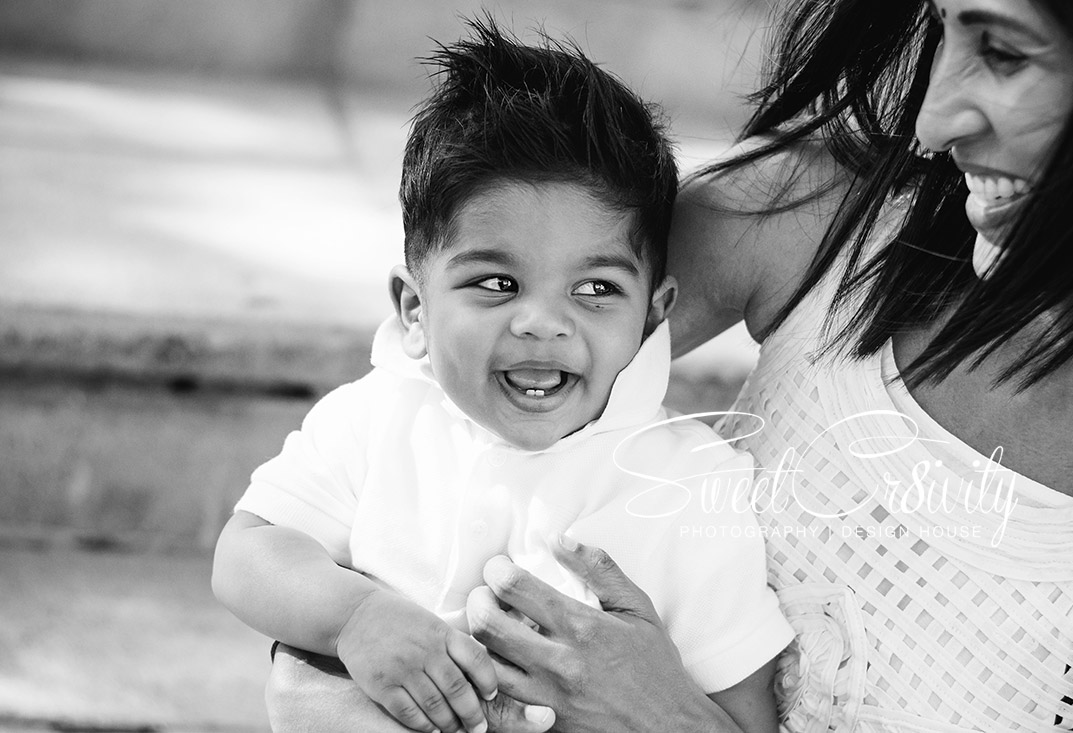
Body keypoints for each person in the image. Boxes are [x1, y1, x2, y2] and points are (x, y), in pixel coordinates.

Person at [262, 0, 1073, 730]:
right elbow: (420, 442)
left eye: (1005, 50)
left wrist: (666, 717)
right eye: (944, 28)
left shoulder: (696, 488)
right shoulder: (812, 225)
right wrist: (356, 630)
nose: (931, 120)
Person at [211, 17, 795, 733]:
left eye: (596, 289)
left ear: (652, 316)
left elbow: (743, 717)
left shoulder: (690, 484)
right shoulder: (378, 417)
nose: (543, 323)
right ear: (415, 309)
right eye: (496, 283)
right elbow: (246, 552)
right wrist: (355, 617)